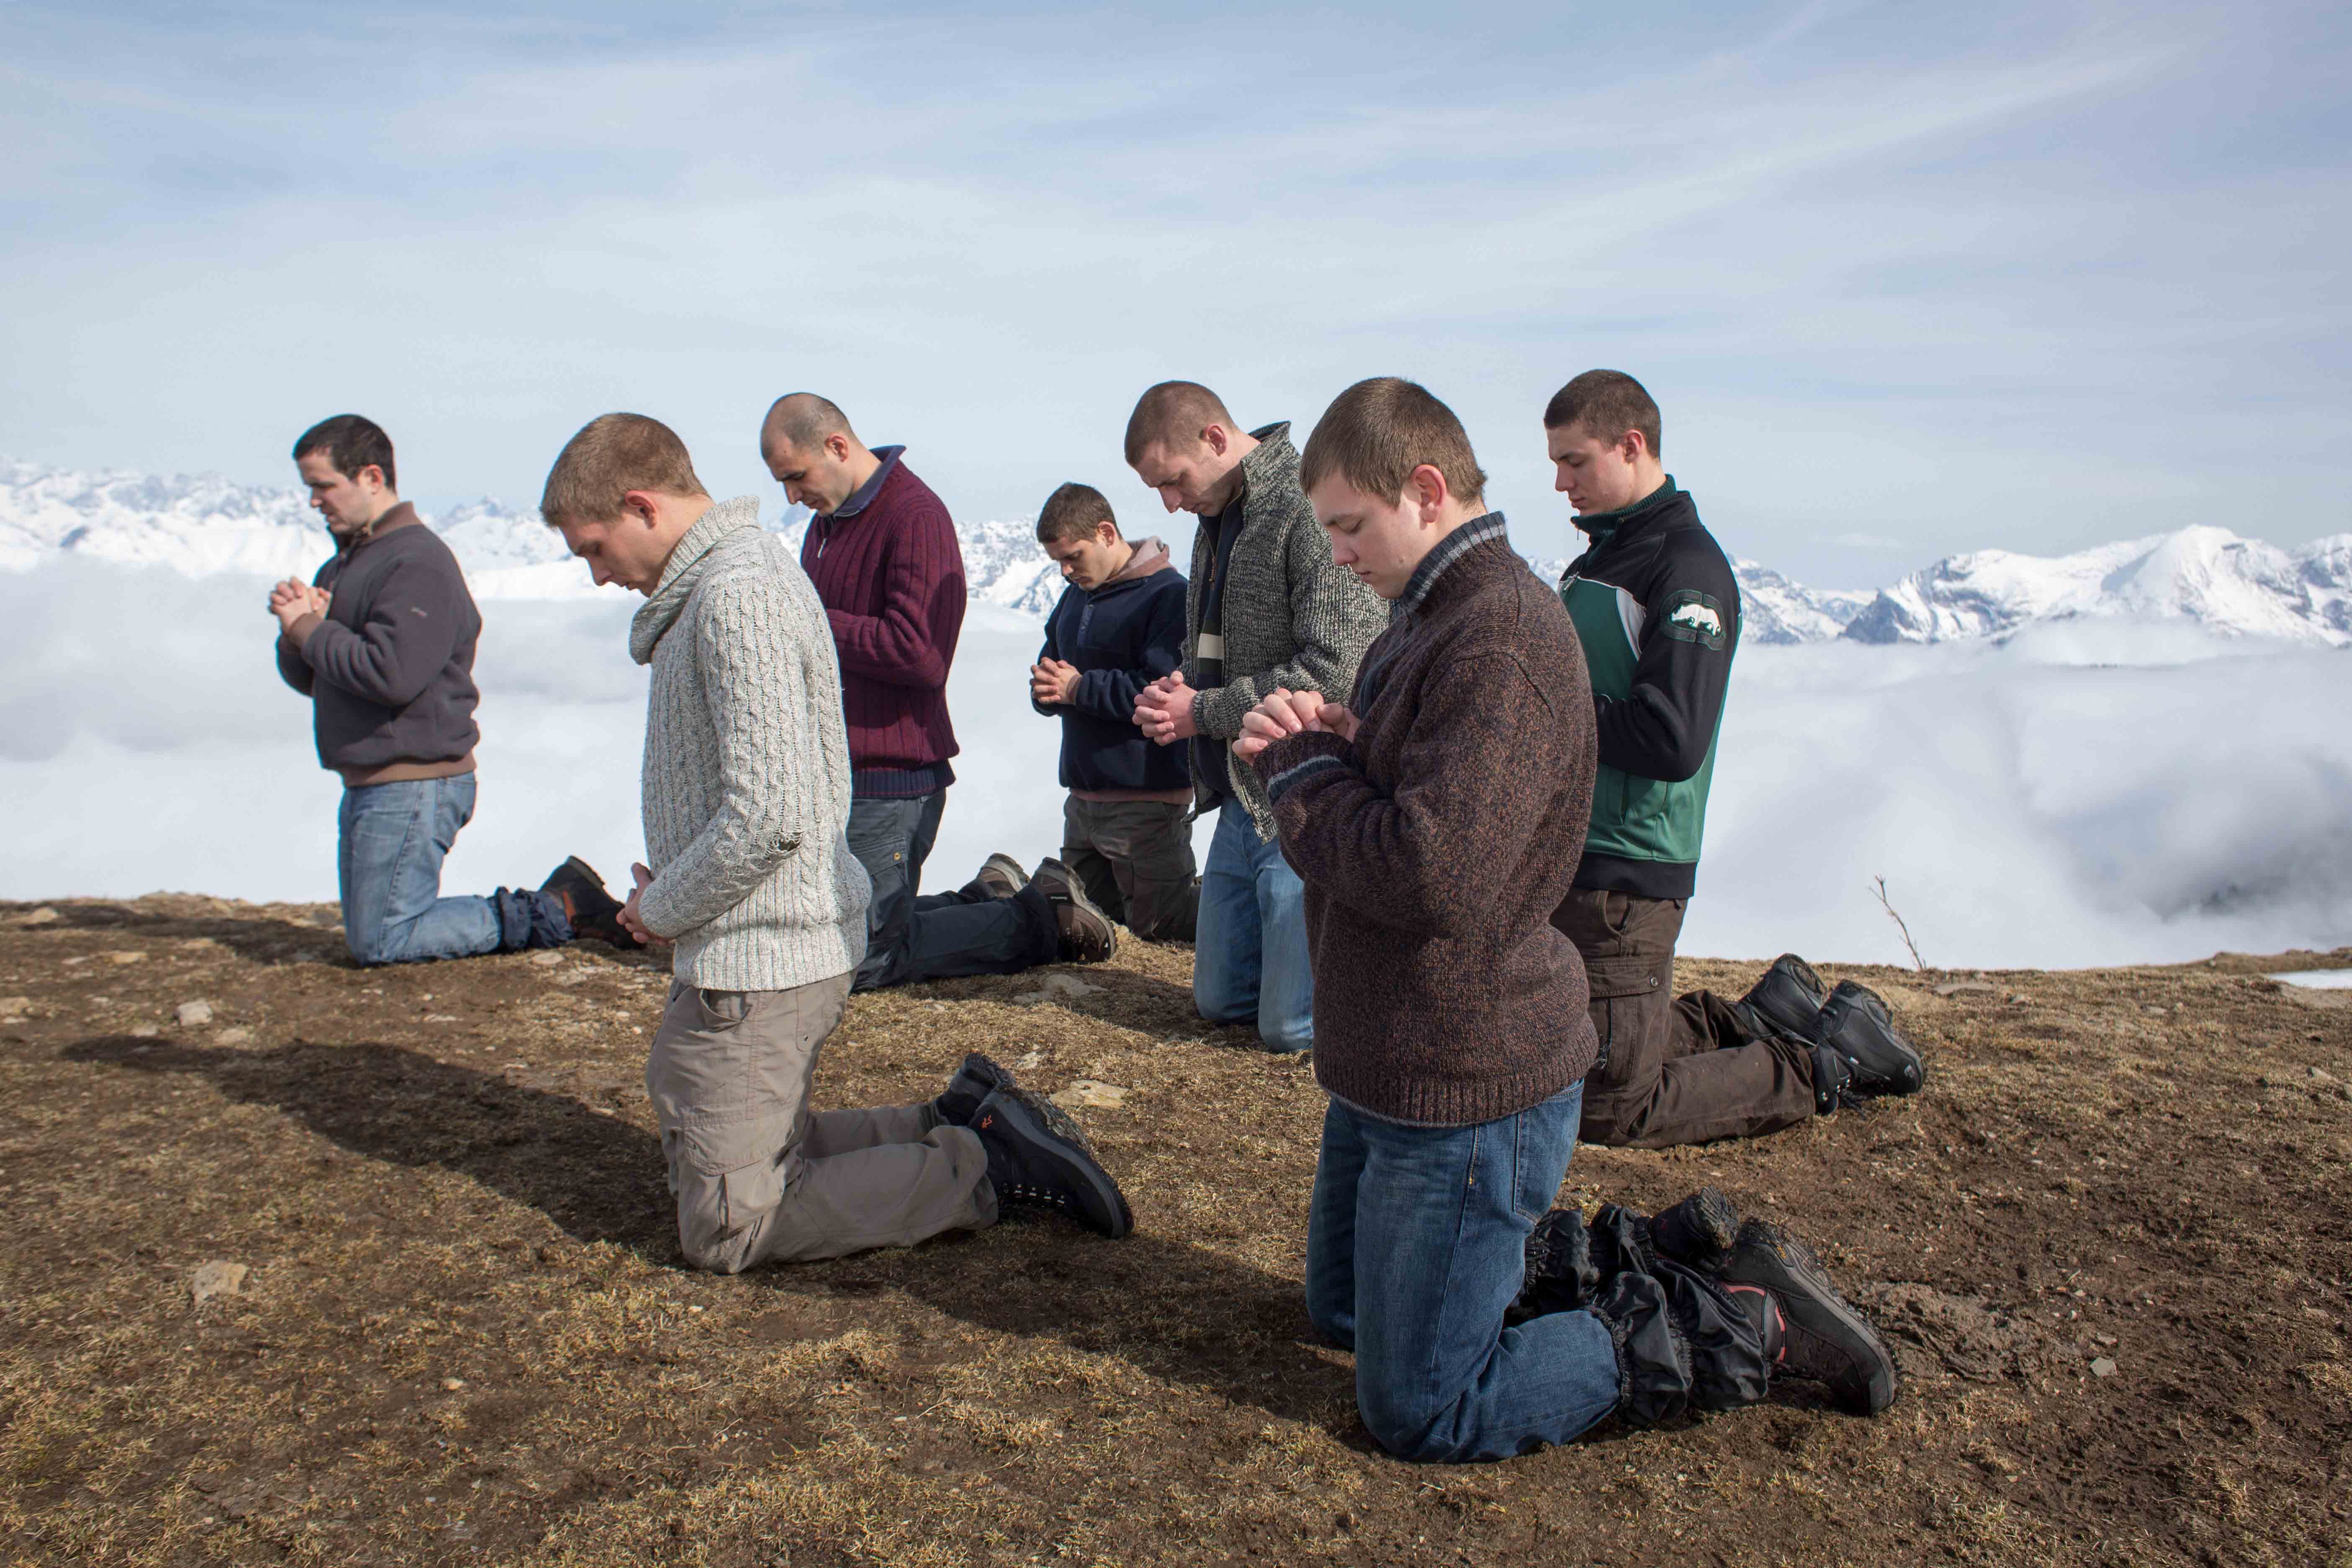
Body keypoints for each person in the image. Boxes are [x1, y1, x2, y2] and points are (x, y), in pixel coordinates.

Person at [1232, 377, 1896, 1462]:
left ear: (1427, 491)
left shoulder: (1493, 636)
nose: (1339, 554)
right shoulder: (1431, 617)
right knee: (1341, 1317)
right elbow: (1418, 801)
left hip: (1461, 1079)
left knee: (1424, 1411)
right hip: (1394, 1065)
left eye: (1349, 526)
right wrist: (1339, 741)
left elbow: (1435, 877)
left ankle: (1725, 1322)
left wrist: (1303, 772)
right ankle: (1615, 1260)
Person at [539, 412, 1132, 1271]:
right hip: (748, 942)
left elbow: (770, 814)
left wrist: (663, 904)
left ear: (638, 505)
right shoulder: (723, 582)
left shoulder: (736, 594)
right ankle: (955, 1120)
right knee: (723, 1143)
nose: (596, 575)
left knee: (730, 1225)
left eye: (593, 547)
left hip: (764, 954)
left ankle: (985, 1165)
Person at [760, 393, 1116, 990]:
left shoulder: (915, 515)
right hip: (837, 769)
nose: (791, 496)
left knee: (864, 956)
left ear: (838, 446)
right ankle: (990, 896)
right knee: (838, 933)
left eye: (796, 477)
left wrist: (809, 620)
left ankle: (1043, 920)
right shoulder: (826, 526)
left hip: (892, 774)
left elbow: (920, 653)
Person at [269, 413, 627, 966]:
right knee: (375, 932)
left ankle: (561, 907)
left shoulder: (416, 561)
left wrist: (310, 628)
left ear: (370, 476)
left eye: (322, 486)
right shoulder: (346, 563)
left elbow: (393, 674)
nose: (315, 502)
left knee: (384, 937)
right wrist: (297, 635)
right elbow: (317, 680)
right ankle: (560, 901)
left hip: (414, 780)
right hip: (378, 779)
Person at [1124, 382, 1386, 1052]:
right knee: (1218, 1003)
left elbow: (1336, 669)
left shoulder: (1303, 505)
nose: (1170, 502)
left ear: (1216, 438)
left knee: (1289, 1030)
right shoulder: (1217, 521)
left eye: (1174, 480)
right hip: (1241, 792)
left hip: (1304, 789)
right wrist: (1185, 683)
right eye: (1159, 489)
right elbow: (1218, 646)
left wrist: (1200, 711)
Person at [1019, 481, 1197, 942]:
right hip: (1083, 802)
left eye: (1073, 556)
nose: (1065, 570)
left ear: (1106, 532)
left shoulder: (1169, 596)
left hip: (1146, 802)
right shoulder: (1075, 595)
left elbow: (1161, 692)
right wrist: (1045, 691)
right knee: (1084, 931)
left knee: (1163, 930)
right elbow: (1053, 668)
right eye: (1057, 560)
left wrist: (1078, 689)